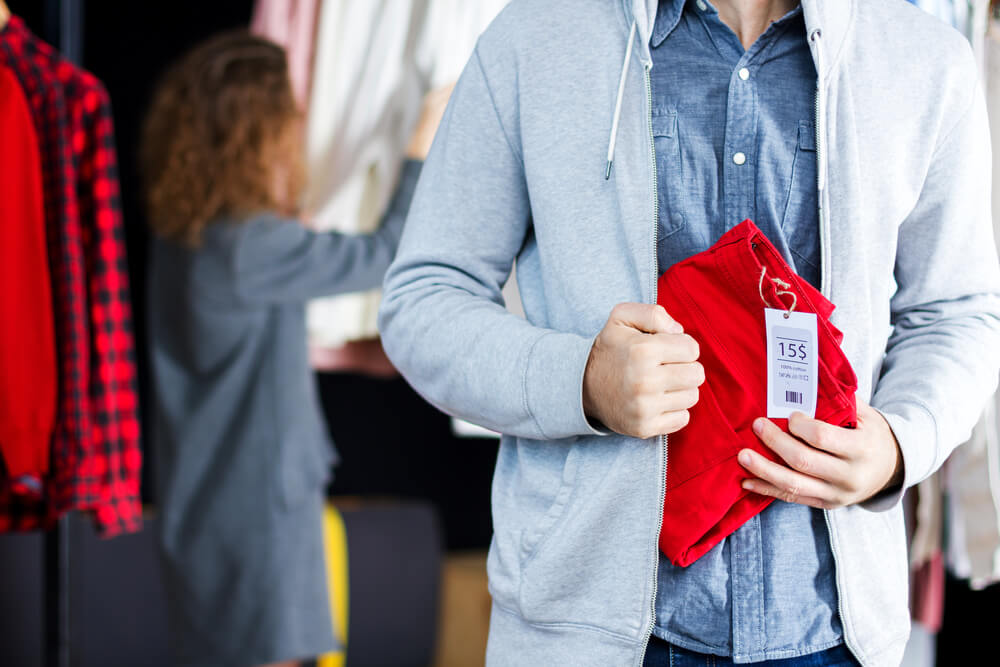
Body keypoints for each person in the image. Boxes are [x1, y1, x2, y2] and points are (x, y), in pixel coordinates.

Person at [378, 0, 1000, 666]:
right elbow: (423, 299)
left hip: (831, 632)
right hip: (591, 634)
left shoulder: (923, 58)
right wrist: (581, 379)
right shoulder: (536, 36)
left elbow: (958, 312)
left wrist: (898, 444)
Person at [141, 32, 430, 667]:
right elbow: (386, 255)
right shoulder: (251, 247)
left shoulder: (186, 234)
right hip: (258, 513)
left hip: (202, 505)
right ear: (257, 132)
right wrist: (418, 153)